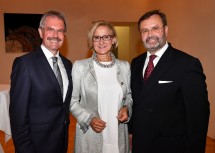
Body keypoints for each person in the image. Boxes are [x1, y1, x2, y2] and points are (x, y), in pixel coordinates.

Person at [128, 10, 210, 153]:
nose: (150, 34)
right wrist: (130, 132)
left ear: (165, 30)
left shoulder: (187, 64)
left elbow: (198, 115)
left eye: (155, 28)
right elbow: (135, 102)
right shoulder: (136, 63)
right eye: (144, 30)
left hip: (171, 146)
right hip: (140, 144)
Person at [9, 10, 73, 153]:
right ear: (40, 32)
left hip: (61, 143)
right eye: (50, 29)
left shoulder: (68, 65)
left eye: (60, 31)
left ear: (65, 35)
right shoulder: (24, 64)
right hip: (36, 146)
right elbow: (18, 116)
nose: (56, 35)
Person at [70, 21, 132, 153]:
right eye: (96, 37)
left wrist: (127, 108)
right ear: (91, 41)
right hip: (90, 136)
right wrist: (89, 119)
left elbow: (129, 96)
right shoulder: (80, 67)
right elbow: (72, 101)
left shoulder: (124, 66)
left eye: (106, 37)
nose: (101, 42)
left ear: (113, 39)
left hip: (118, 135)